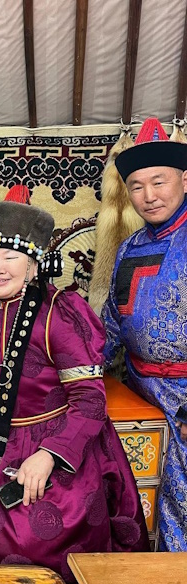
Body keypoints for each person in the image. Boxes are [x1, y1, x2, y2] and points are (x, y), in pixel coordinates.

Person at [0, 201, 149, 584]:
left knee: (29, 540)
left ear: (33, 264)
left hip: (45, 443)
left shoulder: (60, 315)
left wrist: (48, 456)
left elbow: (90, 401)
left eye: (11, 256)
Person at [103, 117, 187, 551]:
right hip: (139, 393)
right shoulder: (130, 248)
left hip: (185, 398)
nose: (148, 196)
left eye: (159, 182)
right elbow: (111, 324)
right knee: (138, 504)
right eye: (136, 186)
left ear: (185, 180)